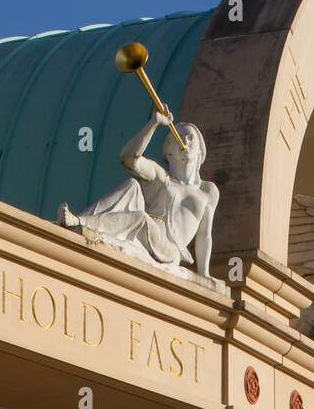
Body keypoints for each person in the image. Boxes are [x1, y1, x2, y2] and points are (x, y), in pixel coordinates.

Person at [58, 104, 219, 279]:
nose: (185, 141)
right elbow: (128, 159)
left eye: (190, 138)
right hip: (148, 237)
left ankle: (81, 223)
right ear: (169, 151)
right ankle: (81, 222)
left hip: (169, 249)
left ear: (200, 151)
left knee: (141, 218)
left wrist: (204, 275)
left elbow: (204, 235)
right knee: (132, 185)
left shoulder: (207, 191)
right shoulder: (162, 177)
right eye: (178, 137)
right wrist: (154, 123)